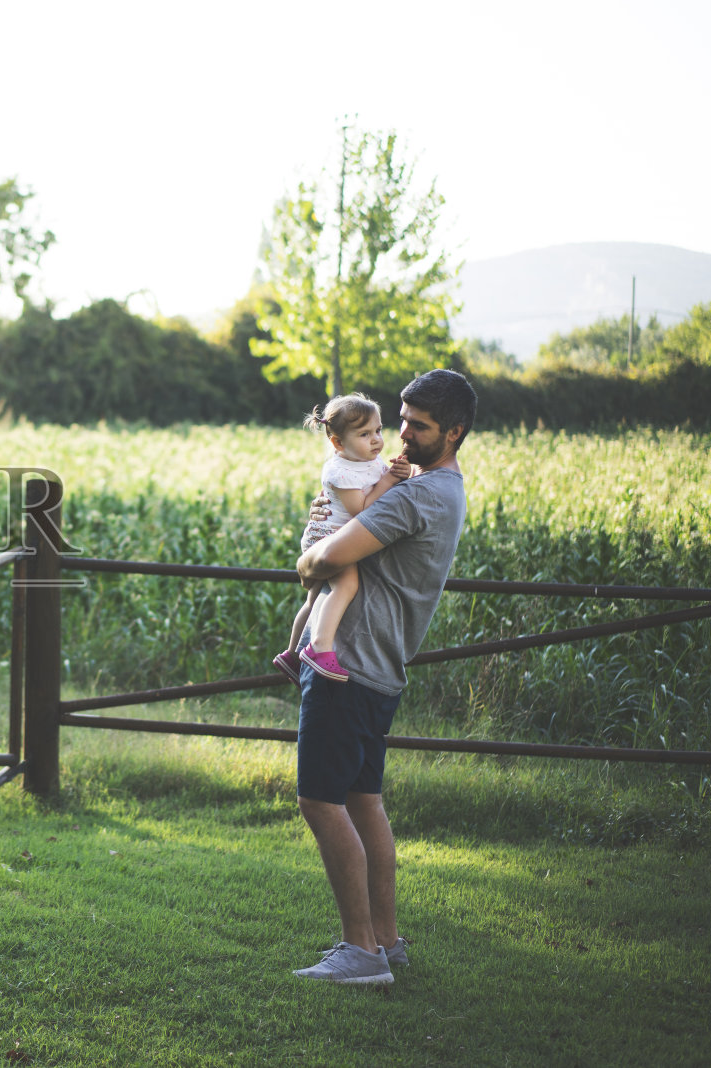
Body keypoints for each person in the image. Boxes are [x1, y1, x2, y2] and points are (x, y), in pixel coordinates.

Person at [288, 369, 476, 986]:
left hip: (350, 663)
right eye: (401, 419)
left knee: (320, 799)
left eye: (417, 426)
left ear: (454, 432)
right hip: (380, 668)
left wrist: (311, 548)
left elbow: (322, 560)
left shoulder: (414, 496)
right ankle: (386, 943)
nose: (401, 434)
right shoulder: (443, 489)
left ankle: (361, 953)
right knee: (364, 801)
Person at [272, 394, 411, 686]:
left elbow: (383, 485)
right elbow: (361, 509)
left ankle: (291, 654)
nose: (376, 440)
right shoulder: (339, 470)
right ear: (337, 443)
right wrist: (388, 481)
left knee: (313, 599)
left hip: (334, 536)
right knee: (347, 584)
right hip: (327, 539)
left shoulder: (369, 461)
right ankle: (319, 649)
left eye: (378, 430)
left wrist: (398, 473)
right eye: (364, 434)